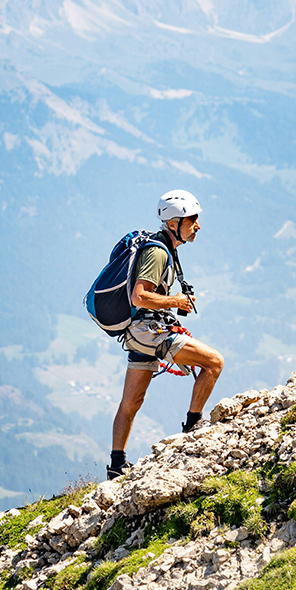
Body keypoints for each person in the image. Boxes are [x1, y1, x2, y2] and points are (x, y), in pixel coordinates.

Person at [107, 190, 224, 479]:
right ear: (173, 223)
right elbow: (139, 297)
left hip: (141, 333)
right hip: (150, 332)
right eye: (192, 219)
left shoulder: (163, 248)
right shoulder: (158, 252)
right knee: (214, 363)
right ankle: (192, 426)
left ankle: (116, 465)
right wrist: (176, 301)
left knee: (131, 402)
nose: (197, 225)